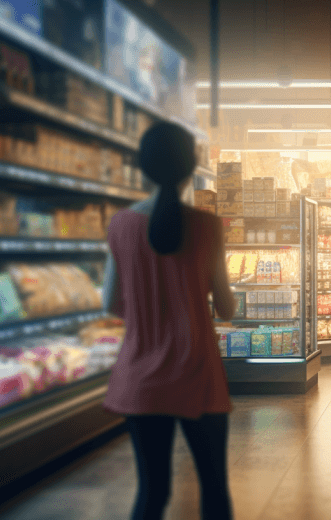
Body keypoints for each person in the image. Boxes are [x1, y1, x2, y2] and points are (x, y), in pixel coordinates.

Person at [102, 122, 235, 520]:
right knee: (214, 489)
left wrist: (150, 311)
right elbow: (227, 308)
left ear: (143, 168)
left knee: (152, 493)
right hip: (198, 372)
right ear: (190, 168)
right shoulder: (207, 227)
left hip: (141, 375)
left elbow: (109, 302)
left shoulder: (121, 226)